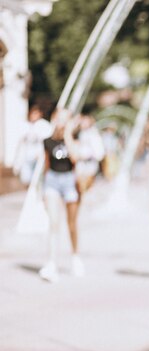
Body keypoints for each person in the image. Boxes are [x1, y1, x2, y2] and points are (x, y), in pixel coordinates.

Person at [38, 109, 85, 282]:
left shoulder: (74, 139)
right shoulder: (47, 142)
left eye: (66, 120)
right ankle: (51, 263)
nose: (62, 123)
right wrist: (41, 191)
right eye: (59, 119)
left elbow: (75, 158)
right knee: (53, 223)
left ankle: (75, 257)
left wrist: (67, 135)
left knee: (71, 223)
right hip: (52, 181)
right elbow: (45, 165)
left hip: (69, 182)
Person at [13, 104, 53, 184]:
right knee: (26, 179)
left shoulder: (44, 125)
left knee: (38, 178)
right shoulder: (25, 125)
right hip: (27, 157)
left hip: (39, 156)